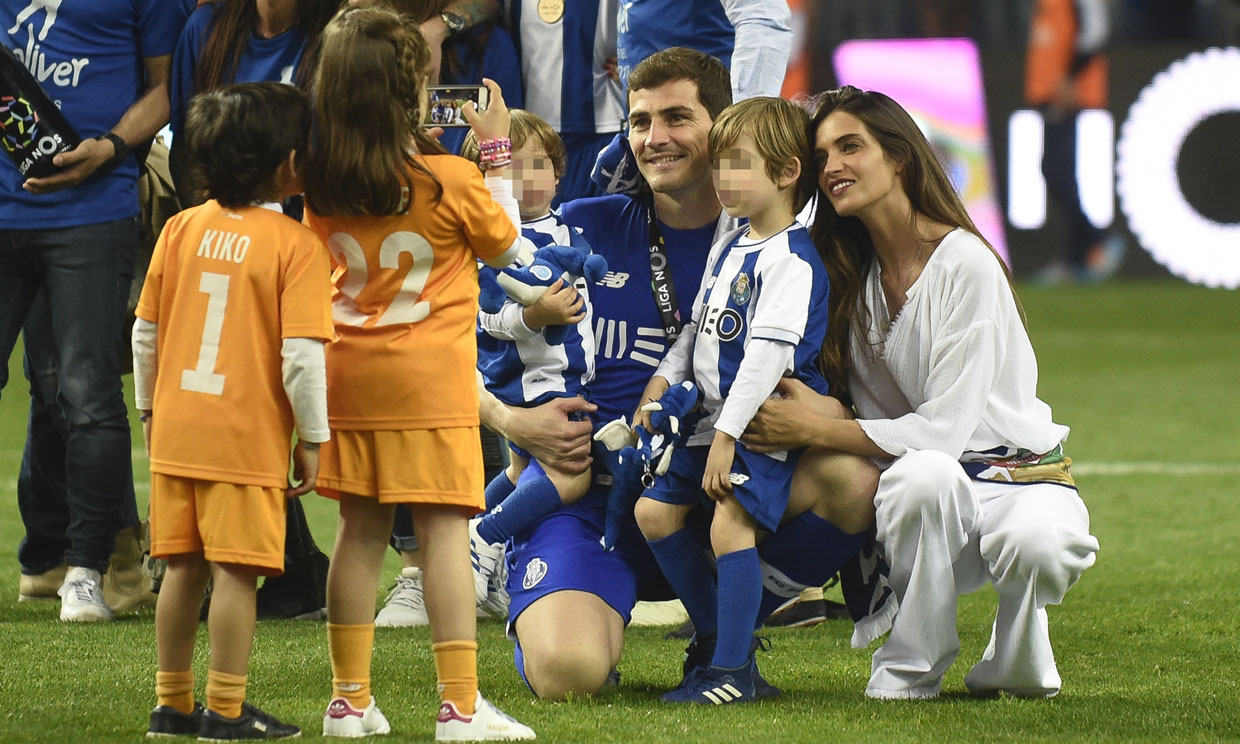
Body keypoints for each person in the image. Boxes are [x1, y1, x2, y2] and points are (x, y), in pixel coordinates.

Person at [477, 47, 874, 701]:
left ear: (721, 127)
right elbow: (455, 348)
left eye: (676, 118)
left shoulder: (778, 250)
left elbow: (840, 391)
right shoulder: (578, 227)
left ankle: (726, 630)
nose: (654, 138)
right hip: (590, 498)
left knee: (855, 479)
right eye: (639, 122)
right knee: (565, 675)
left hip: (714, 492)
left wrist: (826, 417)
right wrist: (510, 419)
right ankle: (552, 590)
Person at [744, 85, 1100, 700]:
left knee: (1039, 543)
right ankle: (912, 665)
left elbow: (943, 431)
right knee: (923, 478)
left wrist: (818, 428)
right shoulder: (838, 269)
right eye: (822, 155)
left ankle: (1017, 649)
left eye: (851, 146)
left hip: (1019, 479)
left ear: (900, 156)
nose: (833, 168)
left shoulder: (967, 263)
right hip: (924, 498)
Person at [301, 6, 534, 739]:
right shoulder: (451, 176)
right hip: (428, 381)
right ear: (409, 91)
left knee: (359, 533)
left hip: (349, 376)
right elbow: (510, 248)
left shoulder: (320, 179)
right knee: (441, 534)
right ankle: (459, 707)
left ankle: (348, 699)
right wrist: (493, 155)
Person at [135, 82, 330, 740]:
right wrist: (314, 438)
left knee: (181, 569)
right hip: (242, 439)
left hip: (176, 430)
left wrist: (147, 411)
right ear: (289, 164)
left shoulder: (180, 228)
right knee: (235, 575)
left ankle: (170, 705)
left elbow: (145, 334)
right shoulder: (294, 243)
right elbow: (302, 357)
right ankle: (223, 710)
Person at [633, 95, 828, 704]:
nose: (722, 177)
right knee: (652, 514)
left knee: (729, 526)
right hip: (711, 419)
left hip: (760, 424)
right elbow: (695, 330)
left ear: (788, 172)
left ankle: (731, 673)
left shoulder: (792, 259)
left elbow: (768, 360)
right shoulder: (732, 243)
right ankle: (724, 637)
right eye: (719, 164)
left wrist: (727, 438)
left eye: (738, 164)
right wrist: (660, 384)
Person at [1, 0, 187, 622]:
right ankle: (69, 560)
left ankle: (90, 569)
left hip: (94, 206)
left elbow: (166, 88)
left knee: (85, 392)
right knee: (66, 390)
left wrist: (110, 146)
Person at [1025, 0, 1123, 284]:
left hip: (1067, 92)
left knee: (1057, 170)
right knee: (1058, 171)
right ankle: (1079, 254)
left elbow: (1096, 32)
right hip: (1052, 91)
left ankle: (1095, 243)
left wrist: (1069, 78)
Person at [503, 0, 624, 203]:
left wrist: (638, 58)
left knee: (607, 227)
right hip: (532, 138)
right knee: (534, 227)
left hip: (606, 130)